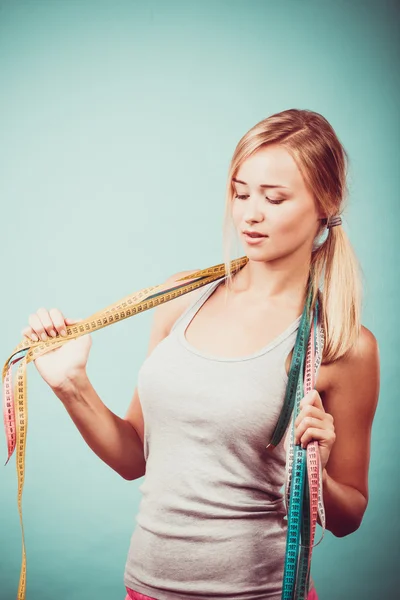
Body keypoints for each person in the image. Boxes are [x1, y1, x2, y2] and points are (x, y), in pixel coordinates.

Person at [22, 108, 380, 600]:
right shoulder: (180, 301)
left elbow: (348, 518)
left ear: (325, 204)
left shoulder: (343, 344)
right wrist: (71, 386)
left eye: (274, 198)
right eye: (240, 192)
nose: (250, 213)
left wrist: (317, 472)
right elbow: (134, 458)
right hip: (144, 588)